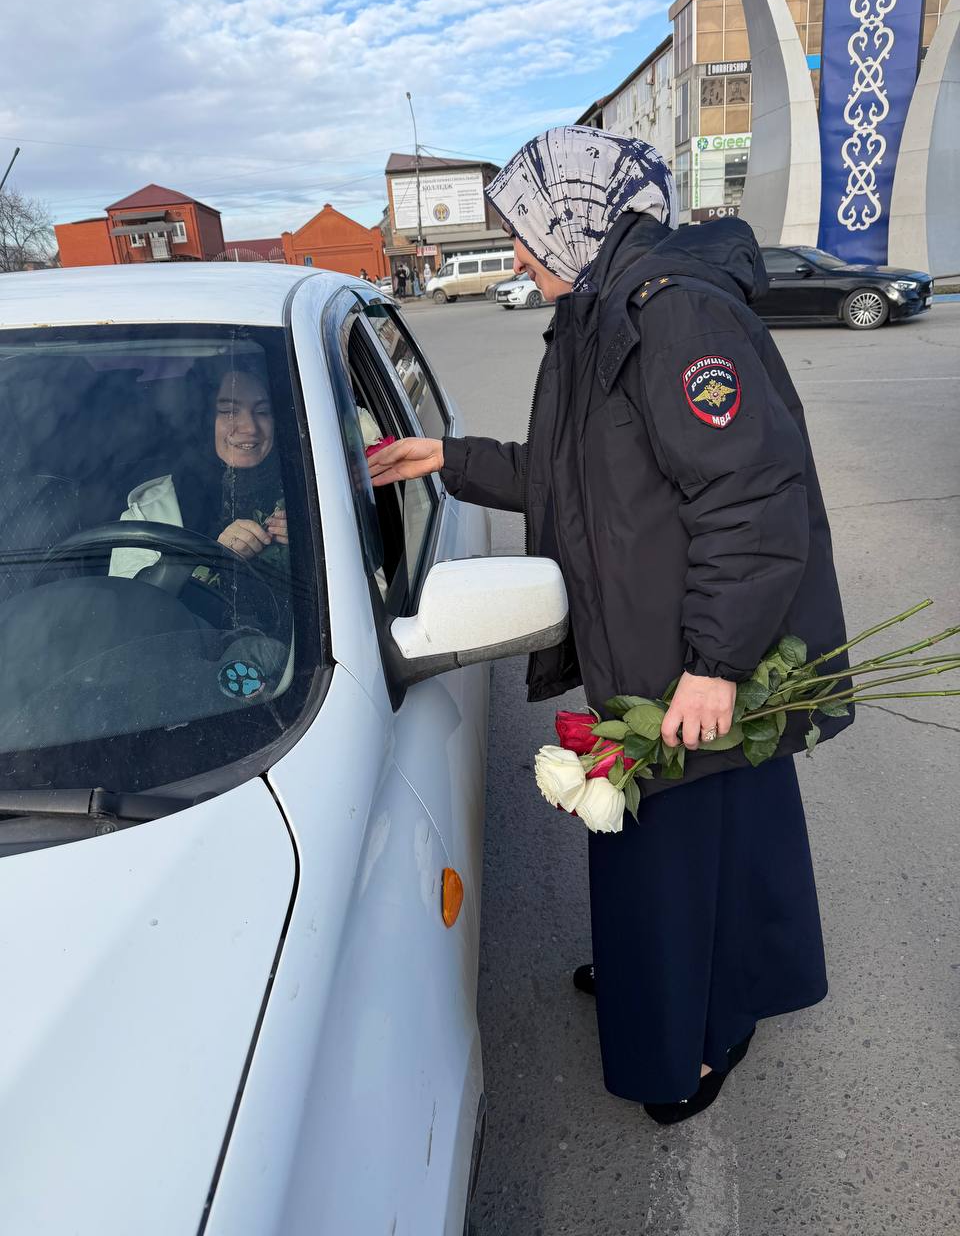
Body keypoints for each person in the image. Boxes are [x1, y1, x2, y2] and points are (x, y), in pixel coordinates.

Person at [367, 125, 852, 1124]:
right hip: (650, 661)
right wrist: (448, 459)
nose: (521, 259)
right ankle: (655, 980)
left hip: (689, 667)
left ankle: (703, 1042)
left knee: (688, 868)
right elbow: (571, 478)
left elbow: (752, 502)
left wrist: (715, 666)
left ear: (578, 223)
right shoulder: (604, 314)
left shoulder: (674, 318)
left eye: (529, 237)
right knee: (657, 860)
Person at [110, 364, 288, 624]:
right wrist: (213, 557)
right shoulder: (148, 516)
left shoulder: (313, 491)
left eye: (263, 411)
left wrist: (310, 539)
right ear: (203, 418)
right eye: (228, 411)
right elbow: (126, 624)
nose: (250, 427)